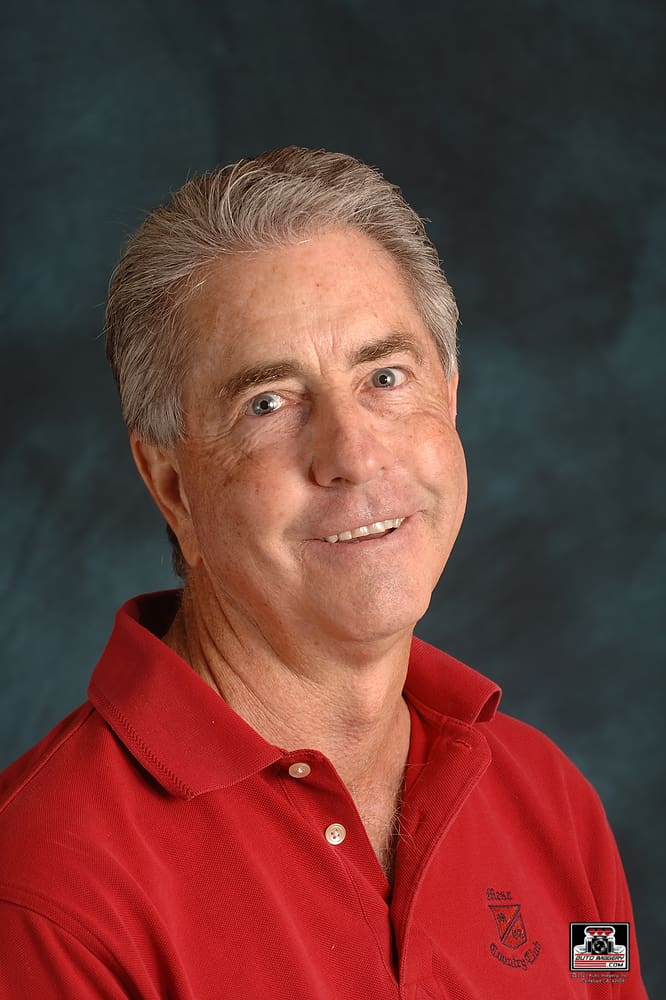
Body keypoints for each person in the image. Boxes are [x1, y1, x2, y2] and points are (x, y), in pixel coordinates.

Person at [0, 147, 647, 999]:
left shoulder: (551, 805)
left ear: (448, 404)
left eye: (385, 376)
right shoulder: (46, 886)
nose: (351, 454)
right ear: (173, 487)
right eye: (268, 403)